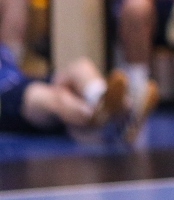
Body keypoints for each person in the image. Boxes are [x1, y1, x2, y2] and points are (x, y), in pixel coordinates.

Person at [0, 45, 129, 139]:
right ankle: (98, 115)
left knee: (82, 67)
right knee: (59, 98)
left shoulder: (4, 50)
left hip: (24, 81)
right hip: (7, 97)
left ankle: (103, 102)